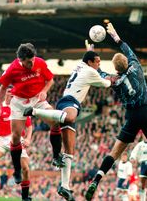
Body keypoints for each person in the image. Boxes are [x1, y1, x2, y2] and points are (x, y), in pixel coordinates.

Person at [85, 23, 147, 201]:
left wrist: (90, 55)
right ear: (127, 62)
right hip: (145, 112)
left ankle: (96, 180)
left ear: (115, 68)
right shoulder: (136, 66)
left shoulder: (115, 80)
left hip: (130, 116)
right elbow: (126, 48)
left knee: (113, 154)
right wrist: (116, 36)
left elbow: (99, 74)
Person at [23, 42, 114, 200]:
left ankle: (64, 186)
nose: (99, 64)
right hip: (69, 102)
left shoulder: (82, 64)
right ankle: (35, 111)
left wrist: (90, 51)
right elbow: (106, 84)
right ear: (90, 62)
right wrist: (115, 80)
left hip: (69, 102)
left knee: (70, 152)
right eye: (97, 61)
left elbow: (87, 59)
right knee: (70, 118)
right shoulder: (90, 71)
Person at [0, 43, 59, 185]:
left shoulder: (39, 62)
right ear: (20, 60)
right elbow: (2, 88)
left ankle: (56, 156)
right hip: (19, 102)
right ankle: (17, 170)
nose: (32, 63)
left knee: (55, 122)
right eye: (28, 61)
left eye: (33, 59)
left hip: (37, 99)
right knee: (16, 137)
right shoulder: (12, 69)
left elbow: (50, 80)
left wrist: (45, 91)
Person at [129, 135, 147, 201]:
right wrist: (132, 158)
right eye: (144, 135)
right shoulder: (140, 144)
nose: (146, 136)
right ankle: (142, 199)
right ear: (143, 136)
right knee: (143, 184)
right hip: (143, 164)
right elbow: (134, 152)